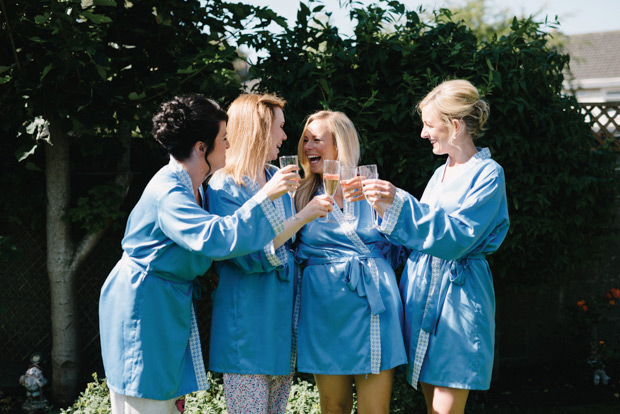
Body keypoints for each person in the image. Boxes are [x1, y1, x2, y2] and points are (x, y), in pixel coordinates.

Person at [99, 94, 299, 414]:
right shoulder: (168, 189)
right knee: (146, 403)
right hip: (144, 303)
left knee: (165, 403)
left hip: (166, 299)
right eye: (224, 139)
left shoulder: (196, 186)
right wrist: (265, 198)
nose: (231, 145)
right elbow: (215, 238)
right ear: (202, 147)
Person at [360, 79, 510, 414]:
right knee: (431, 403)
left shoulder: (488, 174)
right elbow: (417, 231)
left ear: (454, 126)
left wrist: (398, 201)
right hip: (421, 291)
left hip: (458, 296)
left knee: (446, 407)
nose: (424, 133)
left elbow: (456, 238)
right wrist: (379, 207)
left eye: (429, 125)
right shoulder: (440, 173)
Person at [207, 94, 332, 414]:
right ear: (259, 131)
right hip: (247, 323)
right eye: (280, 128)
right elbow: (244, 253)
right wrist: (302, 217)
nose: (285, 136)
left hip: (280, 321)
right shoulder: (224, 184)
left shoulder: (277, 175)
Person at [294, 110, 407, 414]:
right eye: (305, 140)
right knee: (333, 406)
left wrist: (387, 206)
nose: (307, 148)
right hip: (324, 309)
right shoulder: (300, 194)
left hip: (373, 305)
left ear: (339, 145)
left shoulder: (372, 188)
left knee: (375, 410)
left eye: (316, 140)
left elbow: (401, 248)